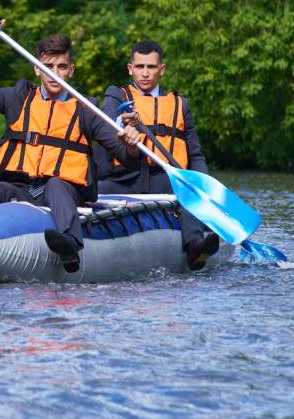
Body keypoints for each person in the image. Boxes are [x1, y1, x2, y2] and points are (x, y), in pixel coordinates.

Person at [0, 18, 142, 273]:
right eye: (48, 66)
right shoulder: (17, 98)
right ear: (36, 69)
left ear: (71, 71)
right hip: (21, 187)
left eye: (61, 67)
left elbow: (125, 156)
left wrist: (130, 145)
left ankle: (70, 244)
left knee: (55, 184)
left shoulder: (85, 110)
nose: (55, 73)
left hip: (63, 191)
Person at [94, 40, 219, 270]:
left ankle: (195, 247)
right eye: (139, 66)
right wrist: (122, 121)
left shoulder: (181, 105)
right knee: (94, 191)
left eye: (150, 67)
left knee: (188, 192)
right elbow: (107, 117)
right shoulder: (117, 94)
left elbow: (195, 154)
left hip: (165, 179)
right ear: (130, 68)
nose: (144, 73)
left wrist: (202, 184)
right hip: (126, 178)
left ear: (161, 69)